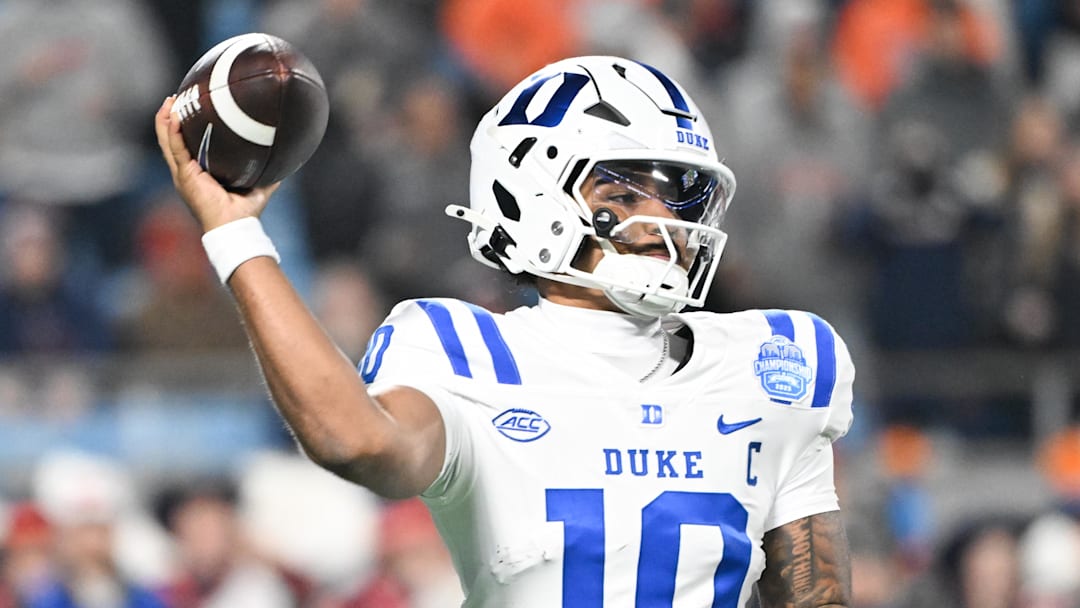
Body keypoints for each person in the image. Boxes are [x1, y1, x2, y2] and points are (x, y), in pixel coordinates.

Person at [155, 55, 855, 607]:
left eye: (678, 193)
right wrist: (236, 235)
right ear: (530, 195)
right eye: (622, 192)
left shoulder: (775, 364)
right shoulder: (463, 352)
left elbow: (815, 598)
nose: (663, 219)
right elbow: (354, 439)